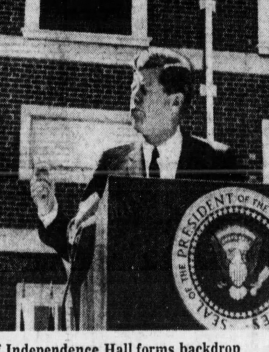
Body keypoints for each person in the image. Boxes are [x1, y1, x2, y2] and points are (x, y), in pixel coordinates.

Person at [30, 49, 241, 268]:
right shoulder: (112, 163)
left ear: (175, 102)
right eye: (133, 88)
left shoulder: (217, 162)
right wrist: (48, 209)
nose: (134, 97)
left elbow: (238, 240)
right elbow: (79, 244)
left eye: (144, 89)